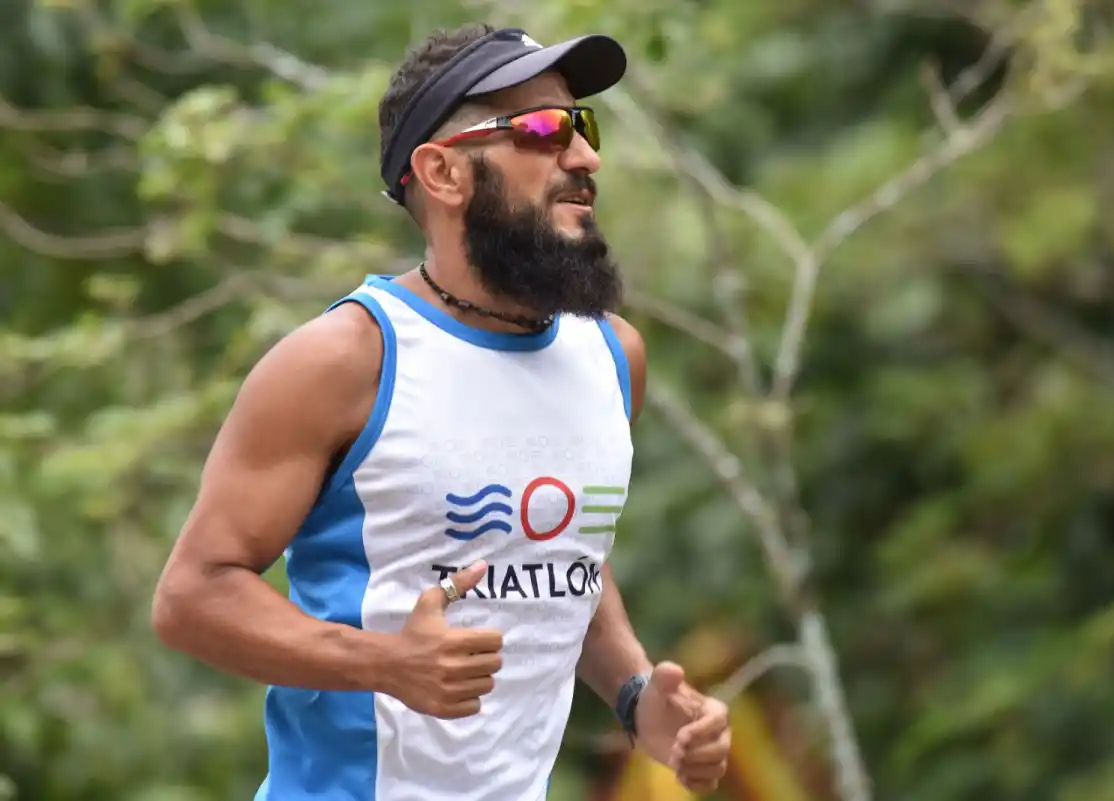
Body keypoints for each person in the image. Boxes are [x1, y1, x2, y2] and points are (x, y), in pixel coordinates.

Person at [151, 22, 732, 801]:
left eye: (583, 126)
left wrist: (634, 696)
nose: (585, 157)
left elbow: (561, 560)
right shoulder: (346, 360)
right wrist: (384, 663)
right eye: (541, 128)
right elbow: (191, 595)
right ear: (443, 172)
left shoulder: (614, 358)